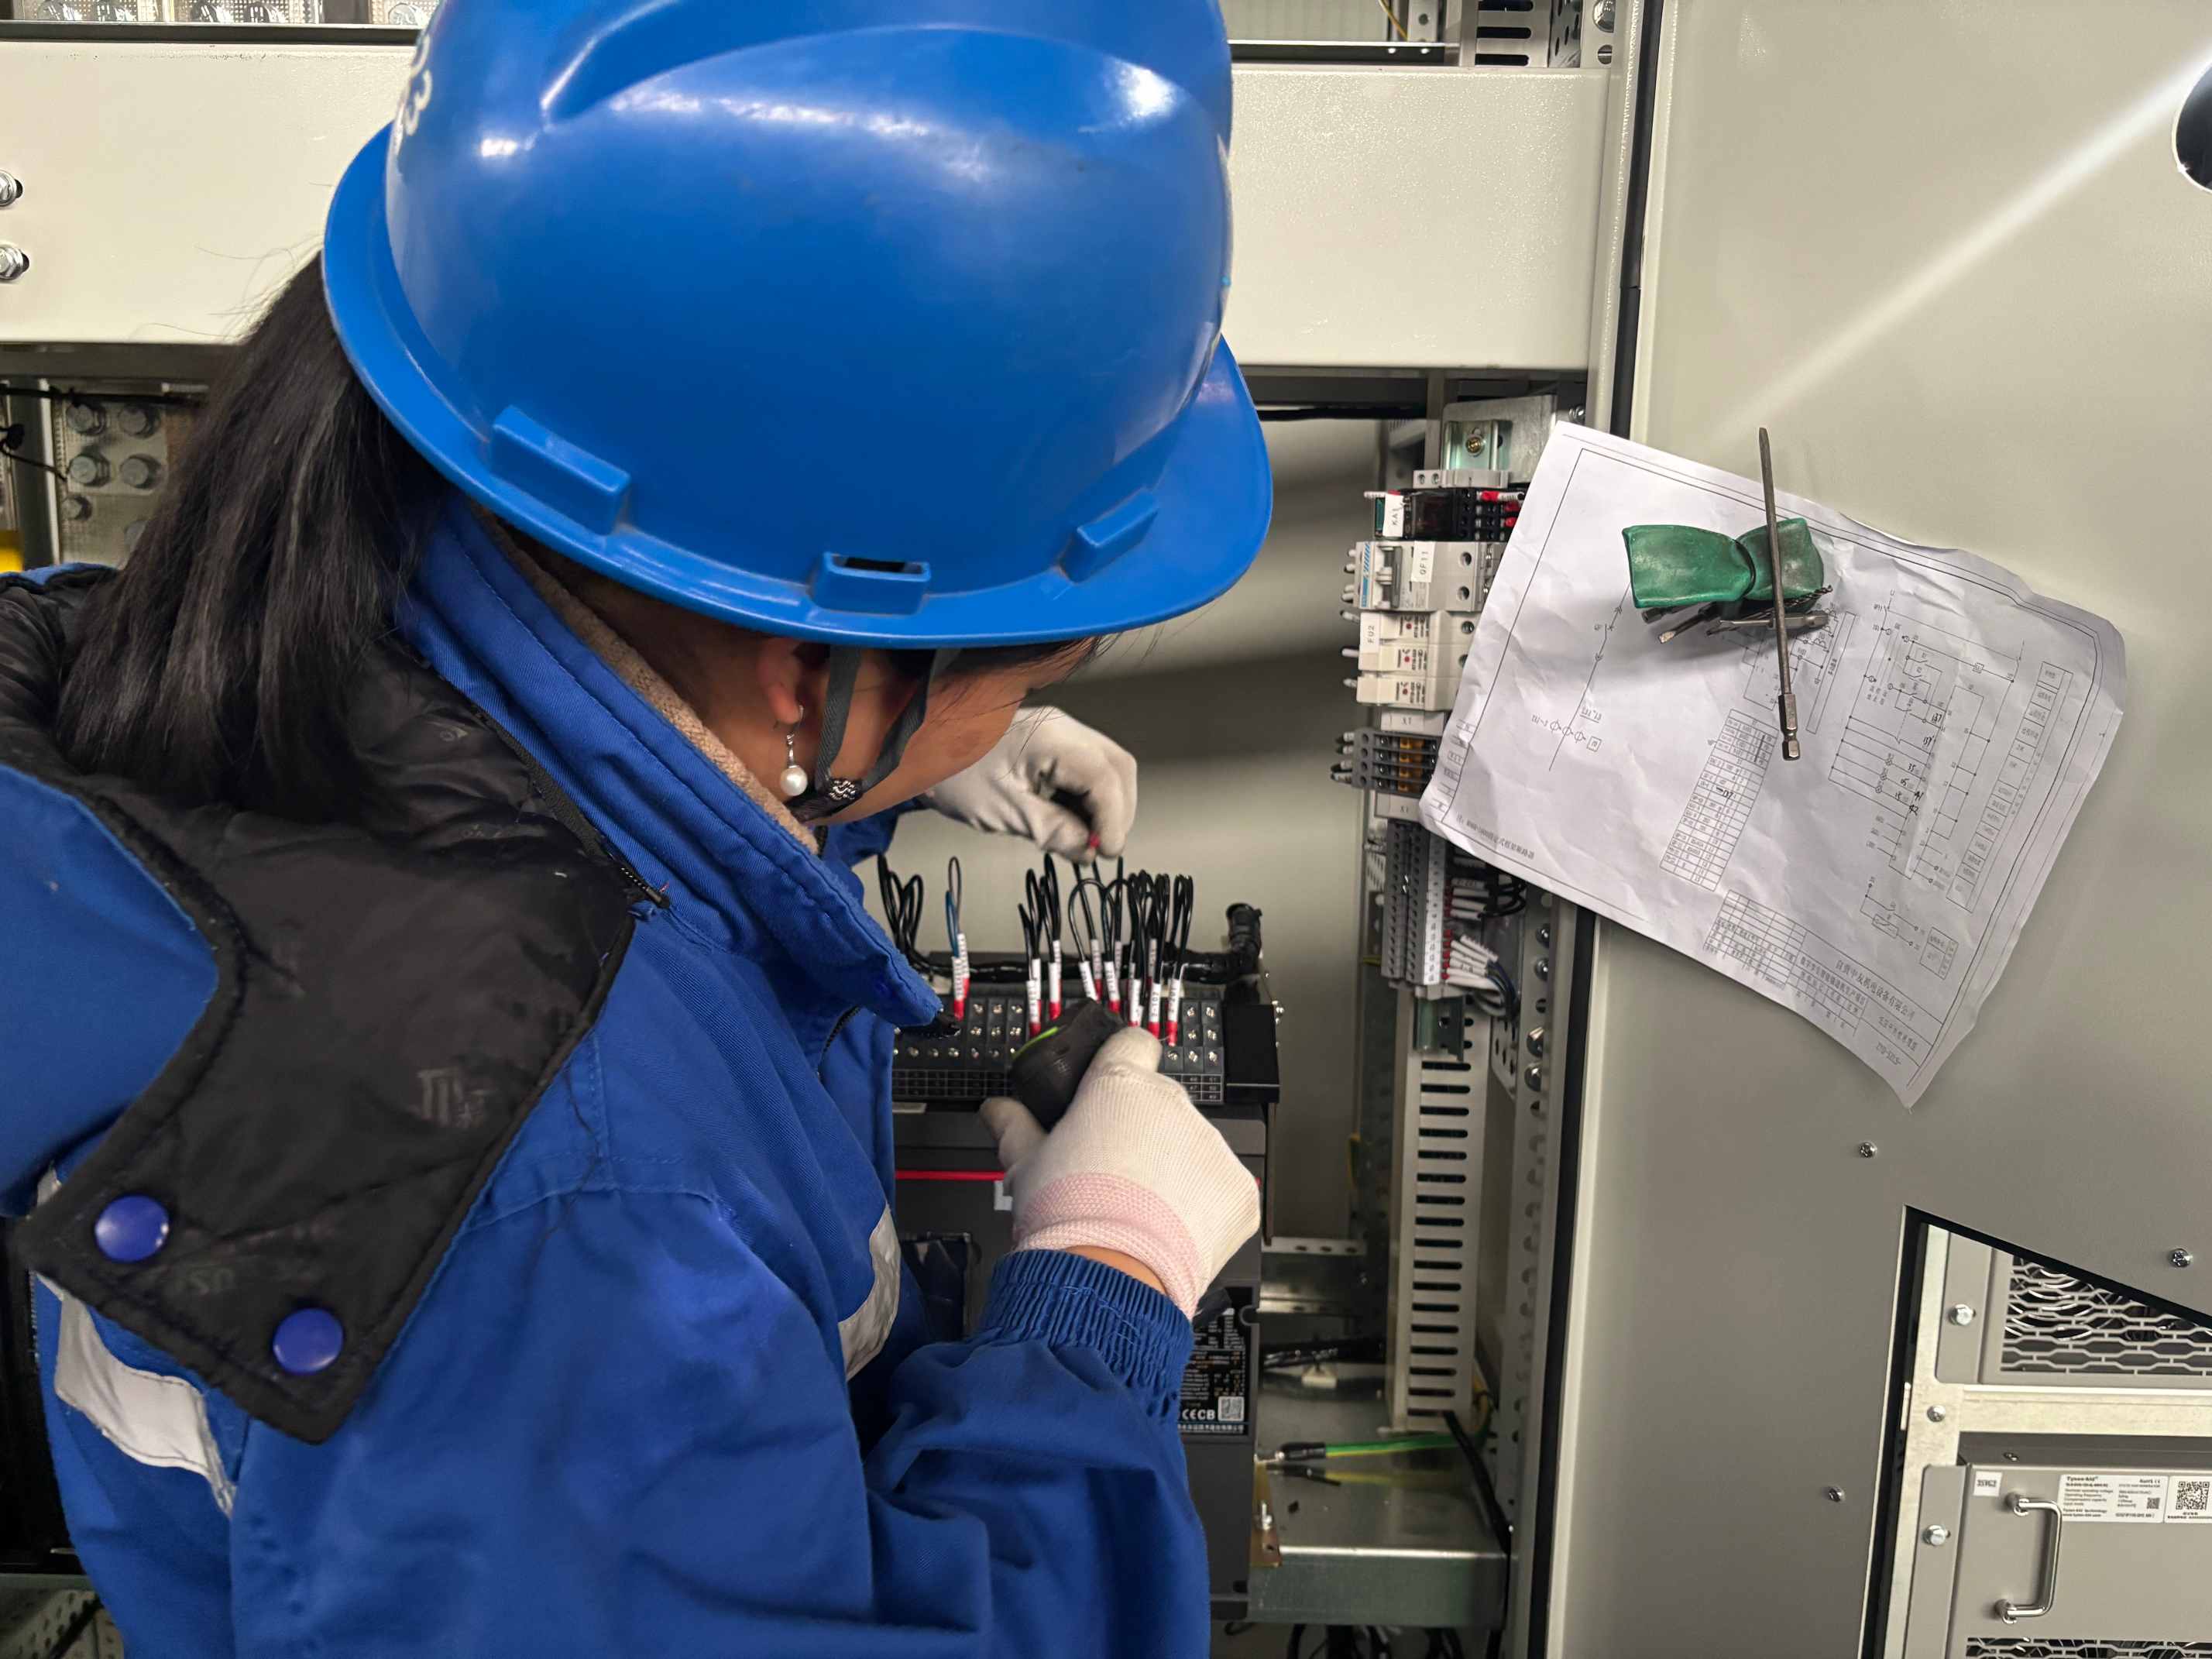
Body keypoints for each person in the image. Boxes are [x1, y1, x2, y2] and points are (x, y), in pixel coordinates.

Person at [0, 4, 1274, 1654]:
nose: (1047, 683)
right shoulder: (575, 1216)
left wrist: (868, 786)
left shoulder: (286, 652)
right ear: (804, 673)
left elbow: (599, 773)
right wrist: (1104, 1294)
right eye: (1042, 646)